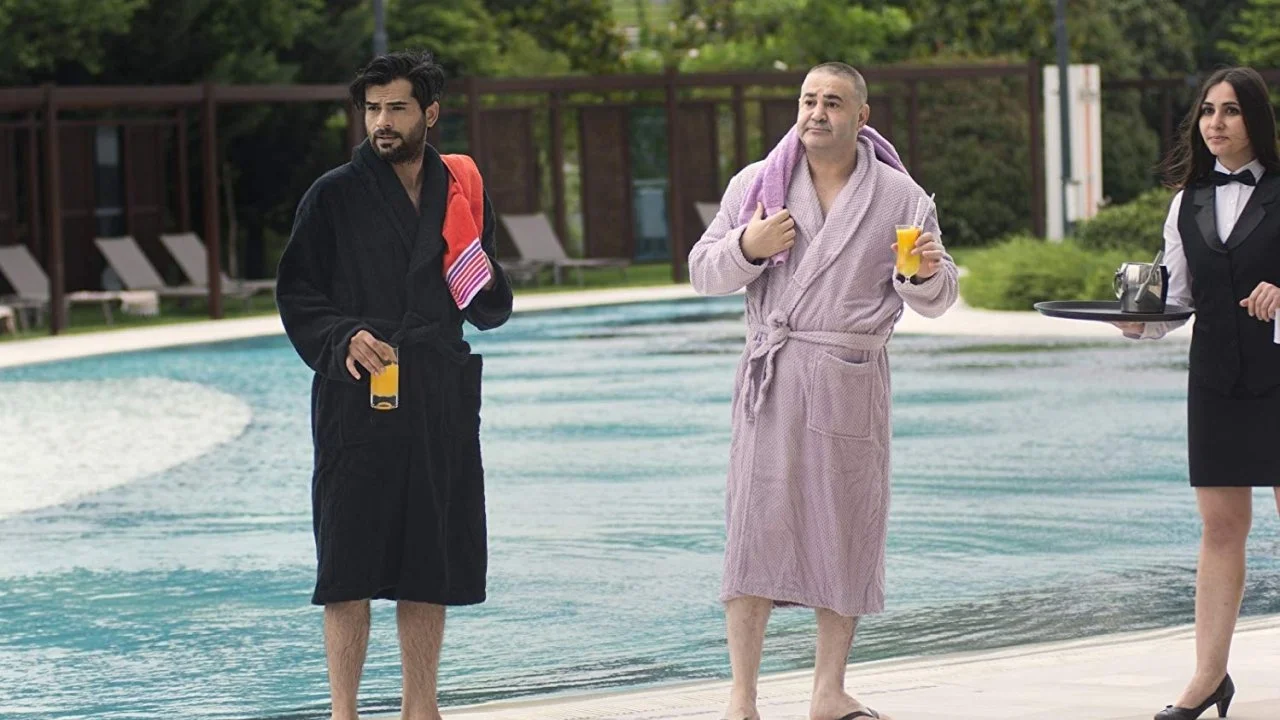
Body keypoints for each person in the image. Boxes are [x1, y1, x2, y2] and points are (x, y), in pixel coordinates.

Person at [688, 61, 959, 720]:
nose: (816, 112)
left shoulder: (901, 197)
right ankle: (742, 698)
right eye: (808, 99)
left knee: (846, 530)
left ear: (861, 117)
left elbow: (939, 296)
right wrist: (749, 245)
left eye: (832, 102)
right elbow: (702, 270)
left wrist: (923, 274)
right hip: (774, 375)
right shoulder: (757, 184)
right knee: (753, 531)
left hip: (849, 377)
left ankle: (828, 692)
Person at [275, 50, 513, 720]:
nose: (382, 121)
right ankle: (343, 712)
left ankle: (420, 708)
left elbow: (486, 304)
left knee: (428, 560)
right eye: (373, 108)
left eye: (397, 108)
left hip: (436, 393)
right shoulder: (333, 195)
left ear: (429, 113)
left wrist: (478, 269)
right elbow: (297, 293)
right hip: (359, 397)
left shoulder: (459, 191)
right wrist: (342, 335)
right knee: (347, 563)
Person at [1113, 66, 1280, 720]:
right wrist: (1139, 324)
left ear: (1256, 120)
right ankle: (1208, 678)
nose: (1216, 122)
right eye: (1208, 111)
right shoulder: (1187, 201)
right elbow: (1176, 298)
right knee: (1220, 527)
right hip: (1215, 376)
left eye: (1231, 111)